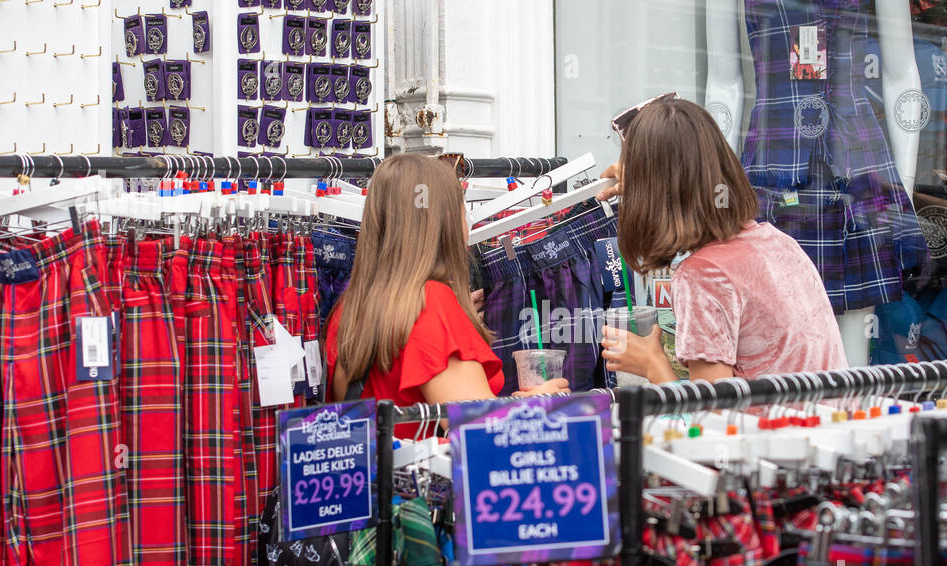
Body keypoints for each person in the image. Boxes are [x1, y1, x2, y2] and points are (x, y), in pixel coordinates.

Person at [597, 98, 847, 382]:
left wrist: (651, 364)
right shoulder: (778, 242)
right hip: (830, 423)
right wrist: (651, 177)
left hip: (770, 427)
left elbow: (708, 417)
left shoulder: (703, 275)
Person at [325, 154, 567, 432]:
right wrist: (537, 404)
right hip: (428, 472)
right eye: (464, 210)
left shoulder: (350, 307)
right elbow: (478, 431)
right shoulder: (431, 303)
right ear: (447, 221)